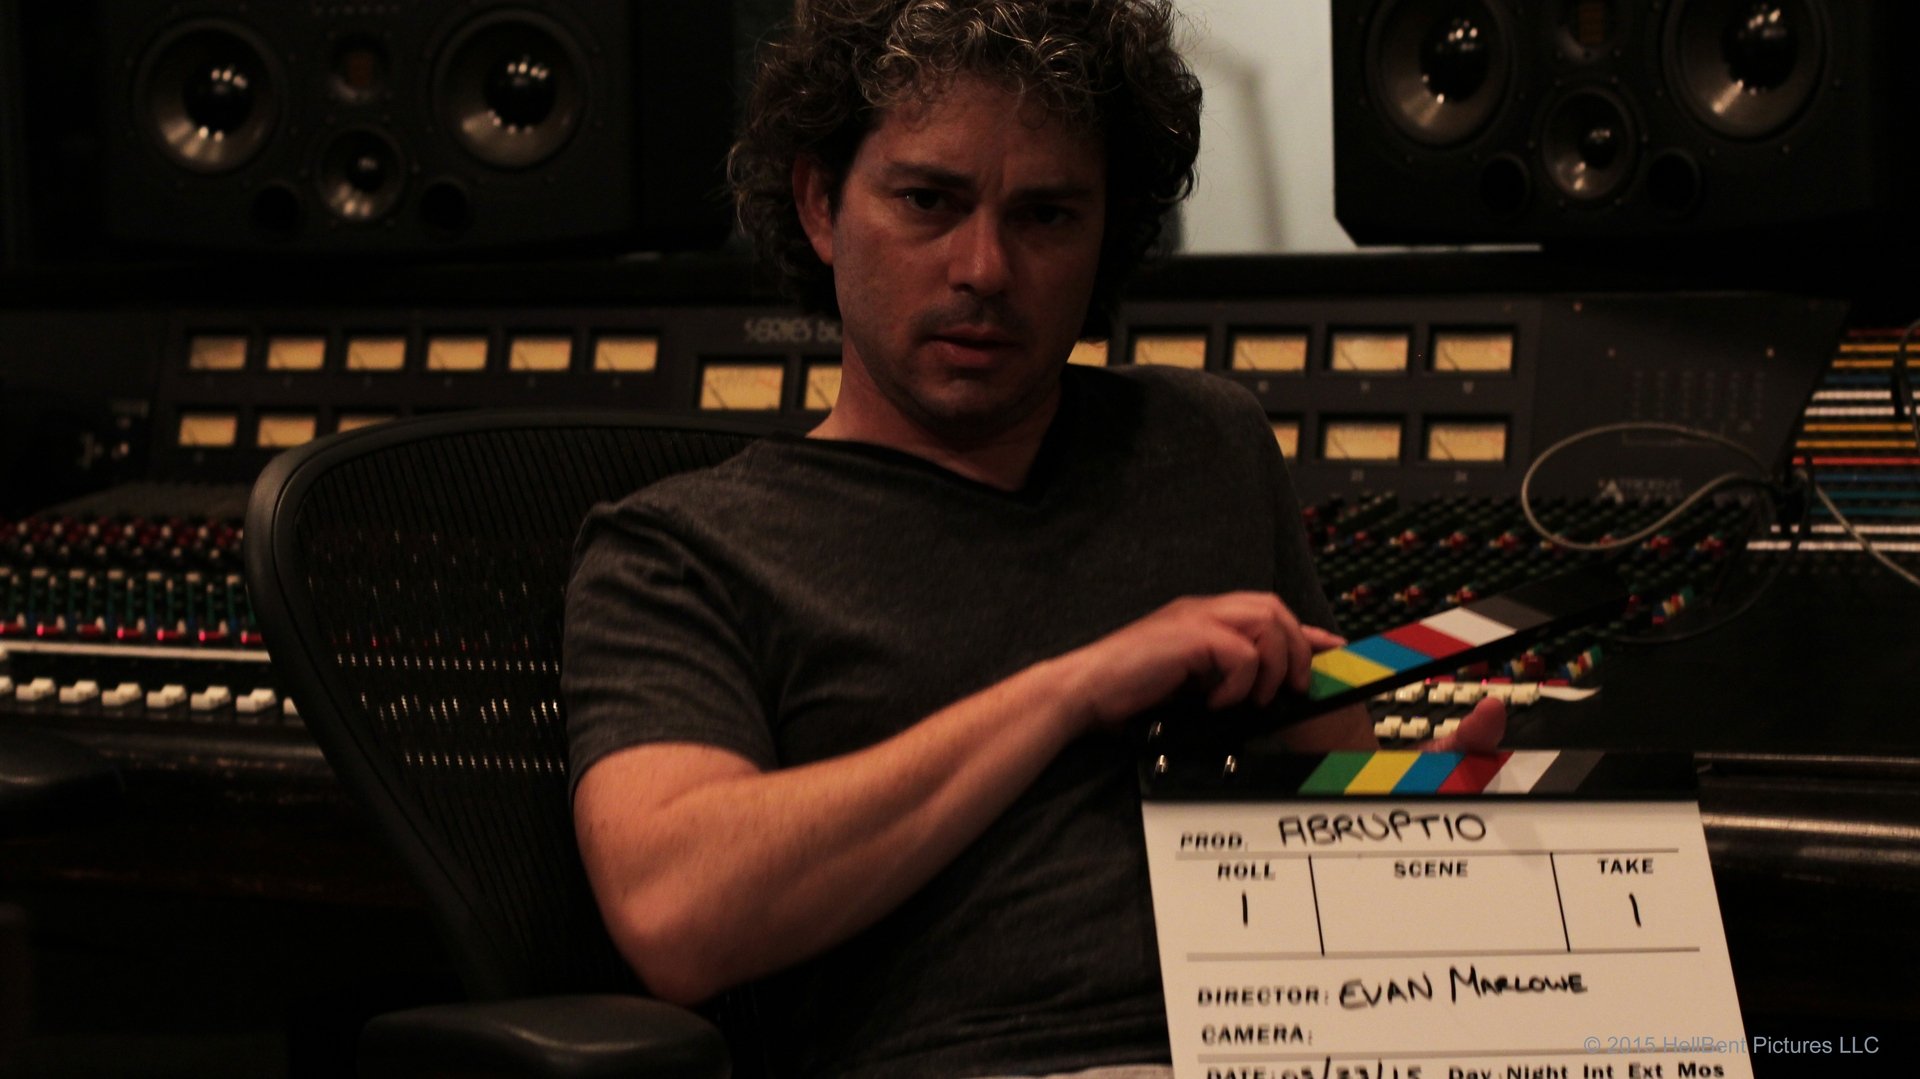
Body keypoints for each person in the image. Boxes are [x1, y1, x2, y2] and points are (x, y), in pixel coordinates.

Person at [562, 1, 1504, 1075]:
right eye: (929, 201)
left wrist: (1430, 811)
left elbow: (1327, 815)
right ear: (821, 205)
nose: (985, 268)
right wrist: (1076, 688)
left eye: (1047, 215)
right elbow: (677, 910)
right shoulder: (678, 550)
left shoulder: (1204, 442)